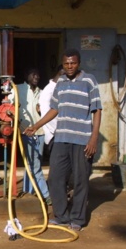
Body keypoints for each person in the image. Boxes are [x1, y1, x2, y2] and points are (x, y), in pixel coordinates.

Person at [23, 49, 102, 232]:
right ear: (62, 64)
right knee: (55, 178)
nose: (69, 66)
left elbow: (97, 109)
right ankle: (61, 216)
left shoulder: (89, 81)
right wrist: (36, 125)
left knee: (81, 180)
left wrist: (94, 138)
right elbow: (54, 109)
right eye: (66, 63)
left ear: (79, 63)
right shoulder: (61, 83)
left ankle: (77, 219)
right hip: (61, 138)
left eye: (72, 63)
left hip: (83, 139)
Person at [16, 68, 50, 205]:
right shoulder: (18, 89)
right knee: (34, 165)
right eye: (33, 73)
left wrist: (41, 110)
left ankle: (29, 189)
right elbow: (9, 107)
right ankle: (46, 195)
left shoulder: (42, 93)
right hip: (26, 132)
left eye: (38, 74)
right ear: (26, 75)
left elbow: (48, 112)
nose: (36, 76)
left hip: (40, 132)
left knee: (32, 164)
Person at [39, 65, 64, 153]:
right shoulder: (49, 90)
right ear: (61, 73)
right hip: (54, 135)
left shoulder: (58, 88)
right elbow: (46, 112)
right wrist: (57, 130)